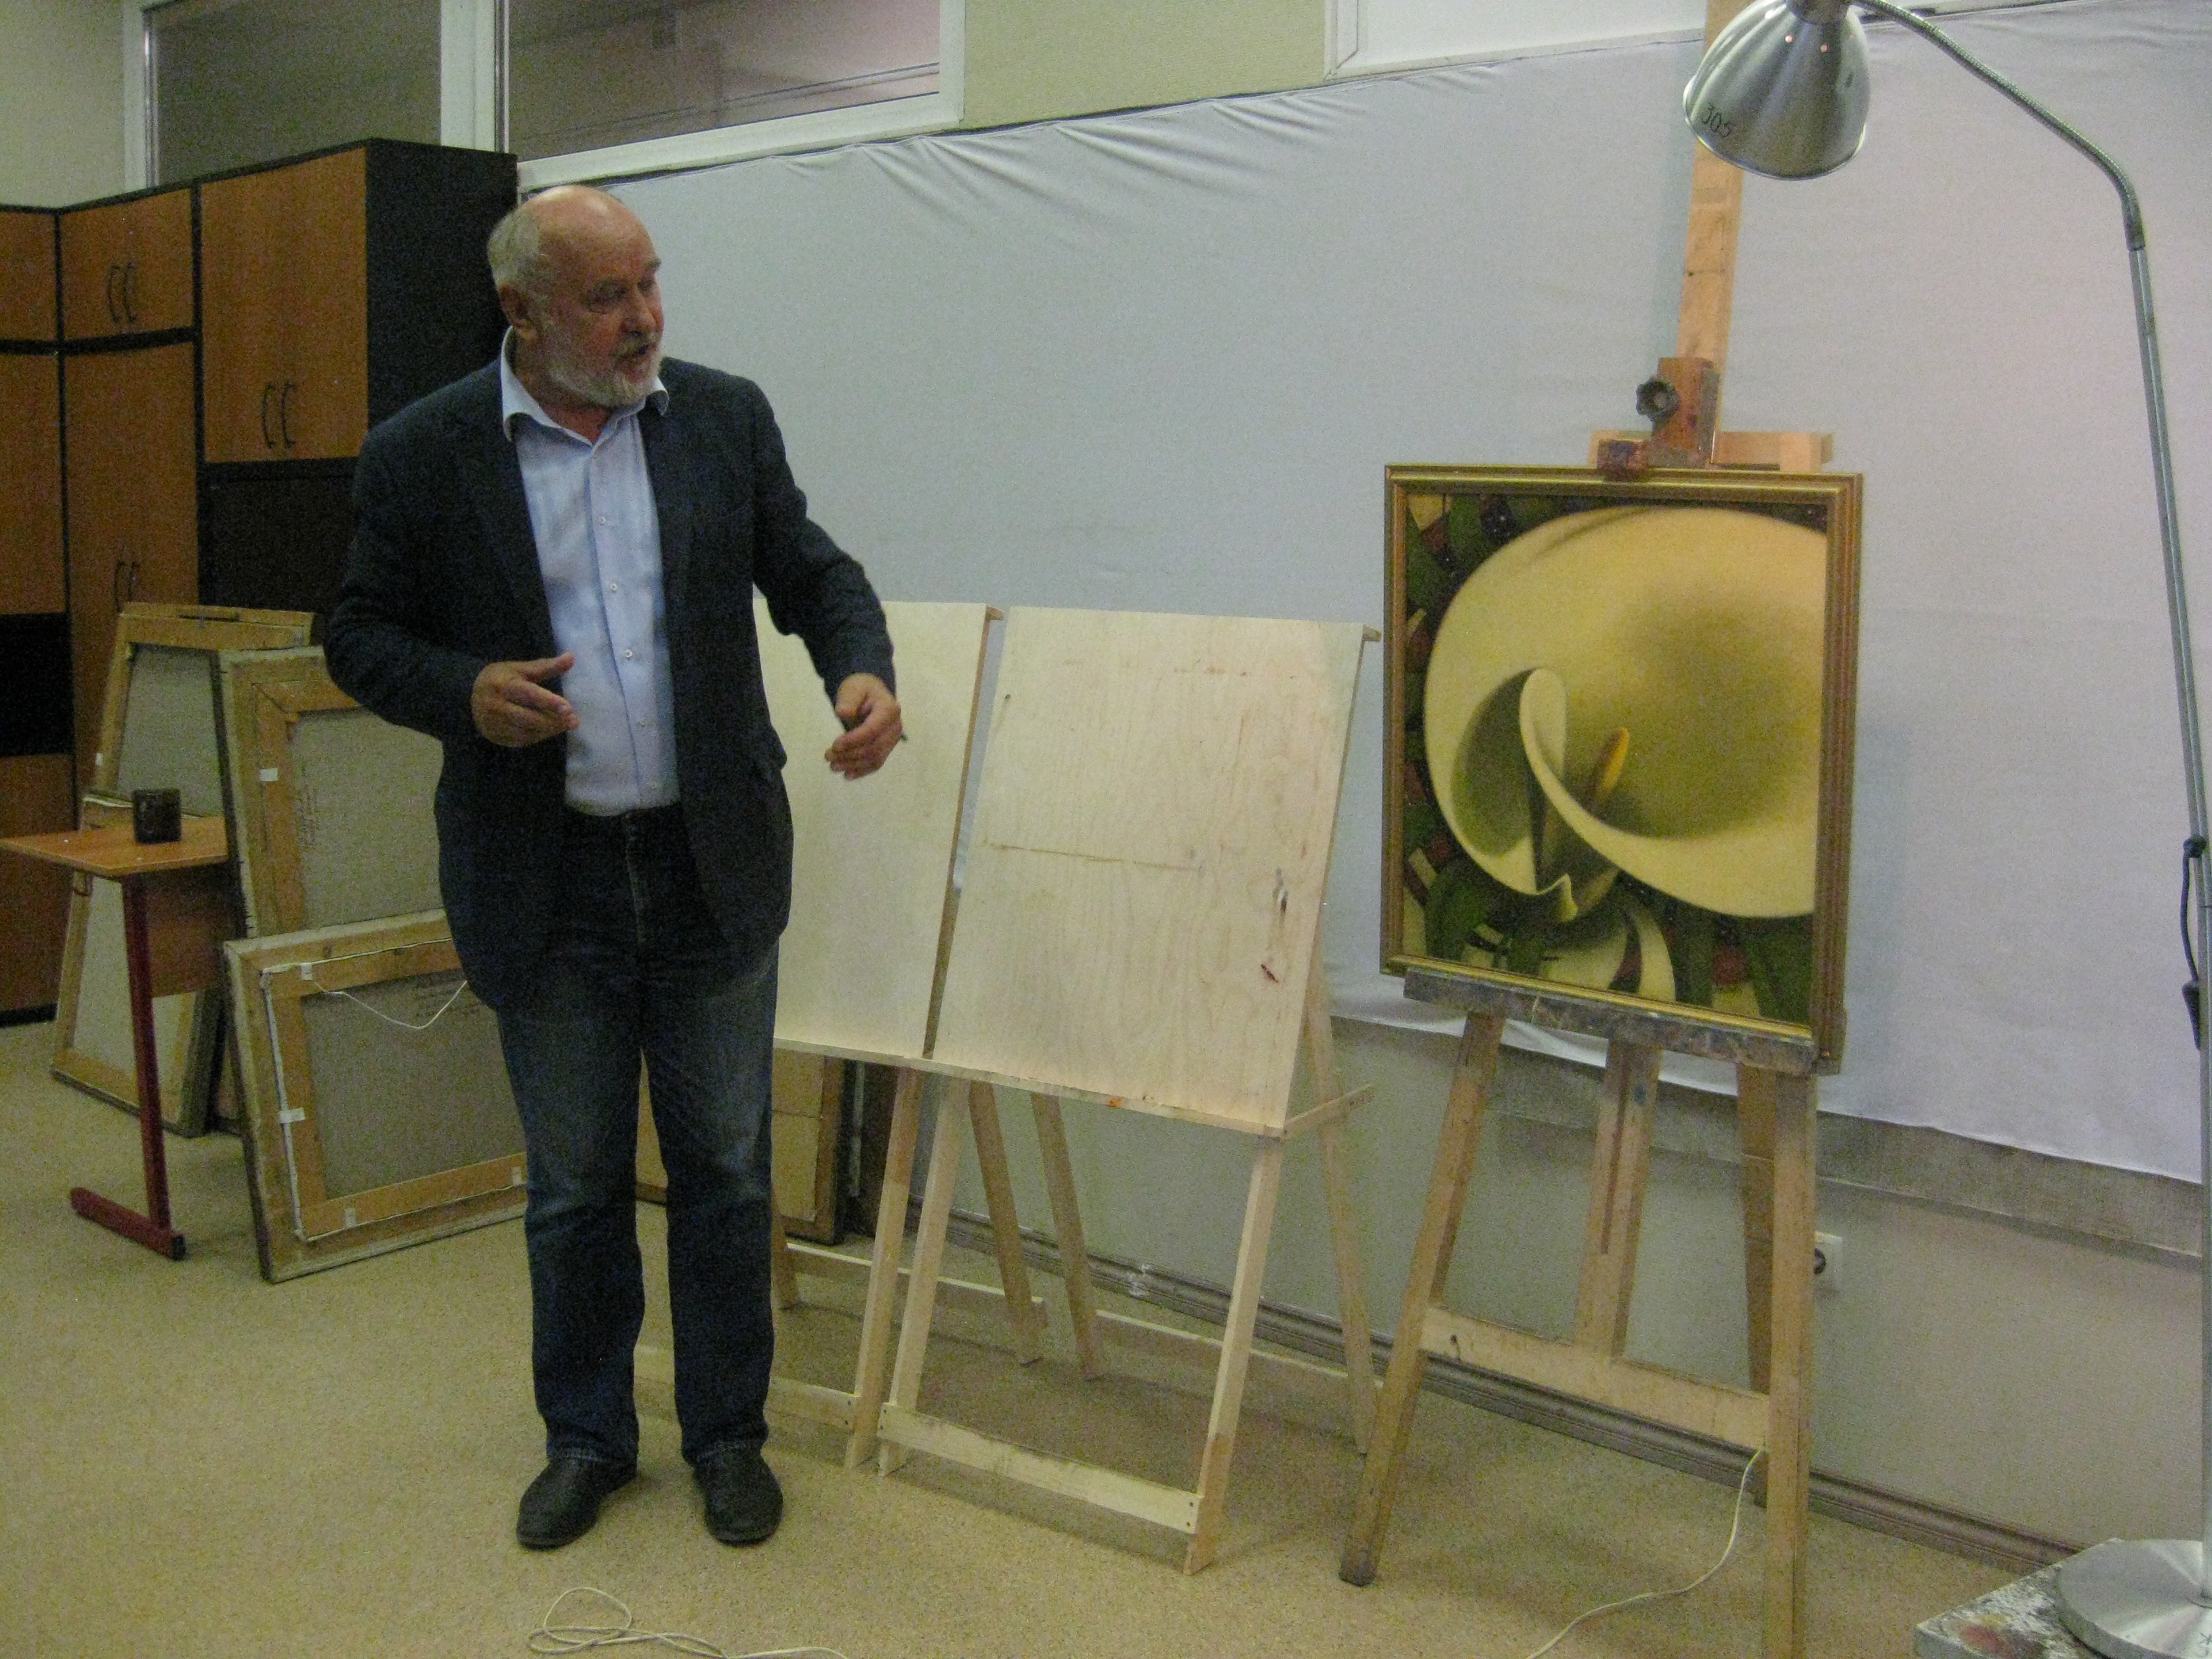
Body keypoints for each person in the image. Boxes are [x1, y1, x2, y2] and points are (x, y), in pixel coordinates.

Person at [325, 184, 901, 1552]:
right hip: (549, 882)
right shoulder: (424, 453)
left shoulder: (721, 417)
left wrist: (861, 670)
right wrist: (462, 691)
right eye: (606, 296)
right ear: (522, 313)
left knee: (727, 1174)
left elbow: (812, 573)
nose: (643, 317)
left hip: (711, 867)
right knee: (577, 1186)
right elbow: (356, 635)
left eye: (649, 282)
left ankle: (728, 1436)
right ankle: (588, 1438)